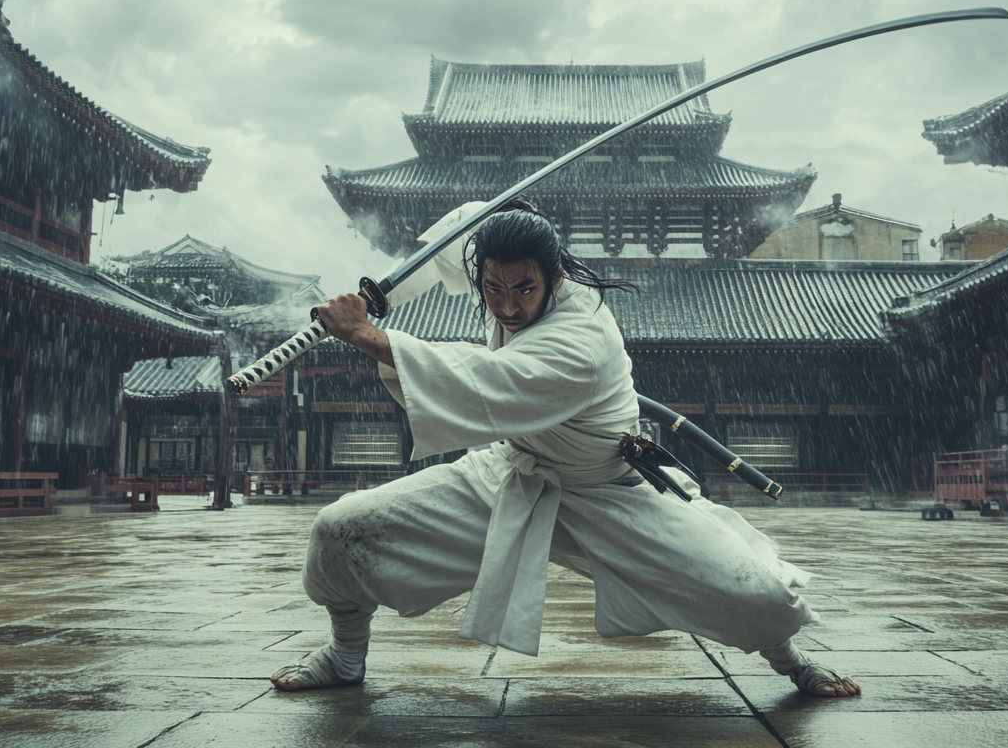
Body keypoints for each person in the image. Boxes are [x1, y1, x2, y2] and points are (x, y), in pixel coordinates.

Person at [270, 205, 859, 698]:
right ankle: (345, 658)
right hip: (511, 471)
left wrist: (367, 334)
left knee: (754, 592)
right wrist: (385, 296)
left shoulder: (581, 336)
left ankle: (790, 659)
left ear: (556, 276)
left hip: (605, 488)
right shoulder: (502, 265)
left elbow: (492, 381)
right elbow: (449, 243)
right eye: (493, 288)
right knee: (340, 528)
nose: (507, 307)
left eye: (524, 288)